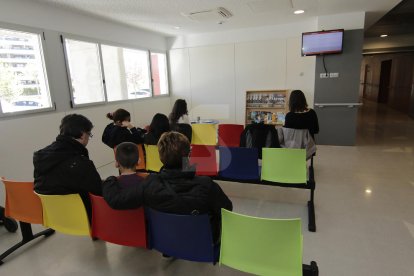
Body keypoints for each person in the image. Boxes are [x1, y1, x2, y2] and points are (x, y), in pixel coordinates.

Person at [103, 131, 233, 243]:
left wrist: (110, 180)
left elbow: (116, 200)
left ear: (160, 157)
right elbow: (227, 209)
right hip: (201, 242)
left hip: (166, 241)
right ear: (189, 155)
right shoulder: (206, 185)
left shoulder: (149, 184)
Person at [33, 114, 102, 218]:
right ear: (83, 134)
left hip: (53, 216)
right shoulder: (81, 163)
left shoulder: (40, 156)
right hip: (80, 218)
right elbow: (99, 192)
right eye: (89, 134)